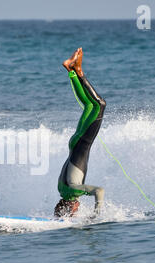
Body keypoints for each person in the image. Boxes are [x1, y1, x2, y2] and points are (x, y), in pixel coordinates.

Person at [55, 48, 106, 218]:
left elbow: (99, 191)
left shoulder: (73, 191)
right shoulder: (61, 189)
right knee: (90, 106)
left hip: (82, 142)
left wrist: (96, 214)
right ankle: (72, 71)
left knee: (100, 105)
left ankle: (77, 71)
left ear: (70, 208)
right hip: (74, 143)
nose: (78, 208)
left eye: (75, 211)